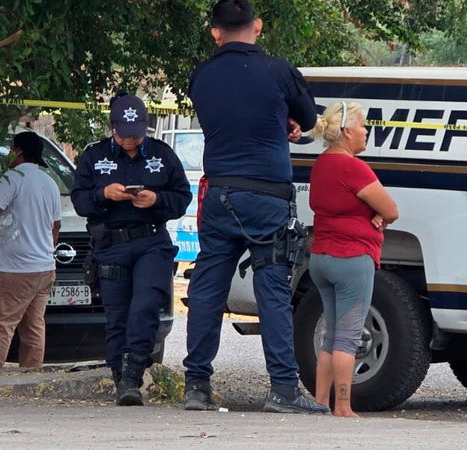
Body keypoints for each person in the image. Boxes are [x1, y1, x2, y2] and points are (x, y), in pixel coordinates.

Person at [183, 0, 329, 414]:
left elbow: (228, 115)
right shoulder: (277, 70)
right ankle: (283, 389)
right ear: (258, 26)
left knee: (207, 289)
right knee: (273, 292)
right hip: (267, 196)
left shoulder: (201, 75)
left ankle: (197, 386)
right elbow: (308, 119)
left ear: (215, 32)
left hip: (219, 194)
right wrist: (286, 121)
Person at [71, 93, 191, 406]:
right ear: (113, 128)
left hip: (151, 241)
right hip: (111, 244)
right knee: (118, 315)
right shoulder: (95, 156)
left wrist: (157, 199)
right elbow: (80, 201)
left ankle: (133, 375)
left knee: (145, 308)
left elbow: (182, 197)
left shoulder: (162, 154)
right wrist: (103, 194)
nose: (130, 140)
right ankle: (119, 377)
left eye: (136, 134)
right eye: (124, 134)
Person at [308, 101, 398, 417]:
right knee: (347, 337)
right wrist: (378, 215)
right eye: (362, 125)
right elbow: (391, 210)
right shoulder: (354, 168)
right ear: (347, 131)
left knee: (330, 335)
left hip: (321, 257)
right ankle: (343, 406)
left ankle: (321, 401)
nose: (366, 131)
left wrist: (375, 213)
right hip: (352, 258)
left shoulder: (321, 164)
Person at [0, 131, 61, 369]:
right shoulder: (49, 182)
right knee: (34, 327)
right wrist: (44, 250)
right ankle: (31, 377)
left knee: (1, 325)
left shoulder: (13, 177)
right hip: (44, 268)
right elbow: (55, 226)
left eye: (12, 149)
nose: (10, 154)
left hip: (16, 268)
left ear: (19, 151)